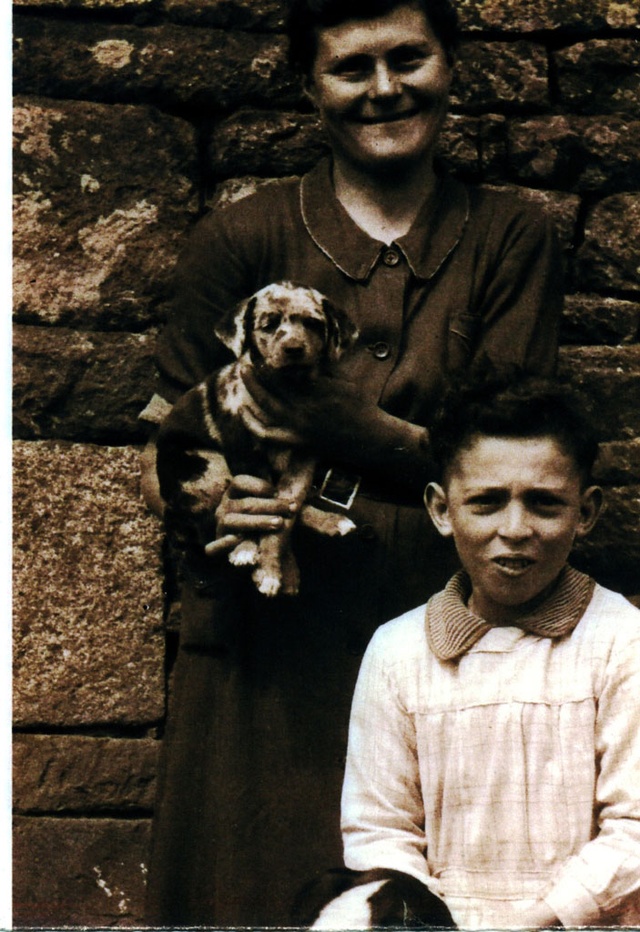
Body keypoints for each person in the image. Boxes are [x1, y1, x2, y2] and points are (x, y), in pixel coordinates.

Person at [141, 0, 563, 925]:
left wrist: (340, 419)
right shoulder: (242, 237)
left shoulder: (509, 238)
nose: (384, 89)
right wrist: (213, 506)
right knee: (244, 892)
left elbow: (509, 454)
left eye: (408, 59)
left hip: (443, 624)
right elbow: (171, 438)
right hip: (266, 637)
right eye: (351, 67)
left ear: (450, 66)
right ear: (311, 86)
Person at [341, 370, 640, 929]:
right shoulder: (398, 651)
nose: (515, 528)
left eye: (545, 504)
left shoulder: (623, 640)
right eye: (486, 502)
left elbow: (636, 829)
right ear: (440, 508)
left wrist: (539, 919)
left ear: (587, 512)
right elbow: (379, 833)